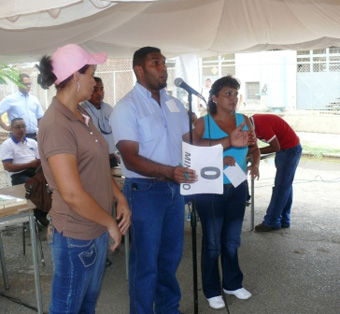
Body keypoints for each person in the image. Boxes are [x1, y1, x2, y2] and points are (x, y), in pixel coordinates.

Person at [36, 43, 131, 313]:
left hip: (95, 228)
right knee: (67, 308)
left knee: (86, 306)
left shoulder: (83, 113)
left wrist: (119, 196)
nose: (94, 81)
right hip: (75, 235)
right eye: (91, 74)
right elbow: (72, 194)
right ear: (76, 77)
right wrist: (109, 222)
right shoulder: (56, 123)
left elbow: (99, 165)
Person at [187, 76, 260, 309]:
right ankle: (211, 289)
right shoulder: (202, 123)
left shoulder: (245, 120)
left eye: (236, 93)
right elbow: (190, 150)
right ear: (214, 98)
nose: (234, 98)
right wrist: (220, 152)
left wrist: (255, 163)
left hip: (238, 186)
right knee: (213, 242)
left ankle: (232, 283)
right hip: (210, 189)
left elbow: (254, 148)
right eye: (228, 93)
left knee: (231, 240)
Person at [251, 114, 302, 232]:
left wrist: (255, 151)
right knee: (285, 185)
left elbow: (275, 147)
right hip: (287, 149)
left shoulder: (261, 124)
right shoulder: (253, 124)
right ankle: (284, 219)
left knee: (281, 187)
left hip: (289, 150)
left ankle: (271, 221)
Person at [0, 117, 48, 225]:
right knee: (33, 185)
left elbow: (39, 160)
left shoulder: (32, 142)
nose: (21, 129)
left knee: (50, 183)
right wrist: (29, 164)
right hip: (18, 174)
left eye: (23, 126)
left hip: (34, 170)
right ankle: (39, 217)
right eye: (18, 127)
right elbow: (8, 166)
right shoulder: (7, 145)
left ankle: (44, 214)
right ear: (11, 129)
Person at [82, 77, 119, 168]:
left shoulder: (108, 109)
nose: (100, 93)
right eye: (95, 90)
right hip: (94, 161)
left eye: (102, 89)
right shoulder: (82, 111)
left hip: (111, 158)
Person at [0, 73, 44, 139]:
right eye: (25, 84)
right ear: (18, 84)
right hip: (17, 137)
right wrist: (6, 127)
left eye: (30, 84)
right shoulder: (10, 99)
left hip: (34, 136)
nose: (28, 86)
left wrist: (41, 132)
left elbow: (40, 117)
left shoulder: (34, 99)